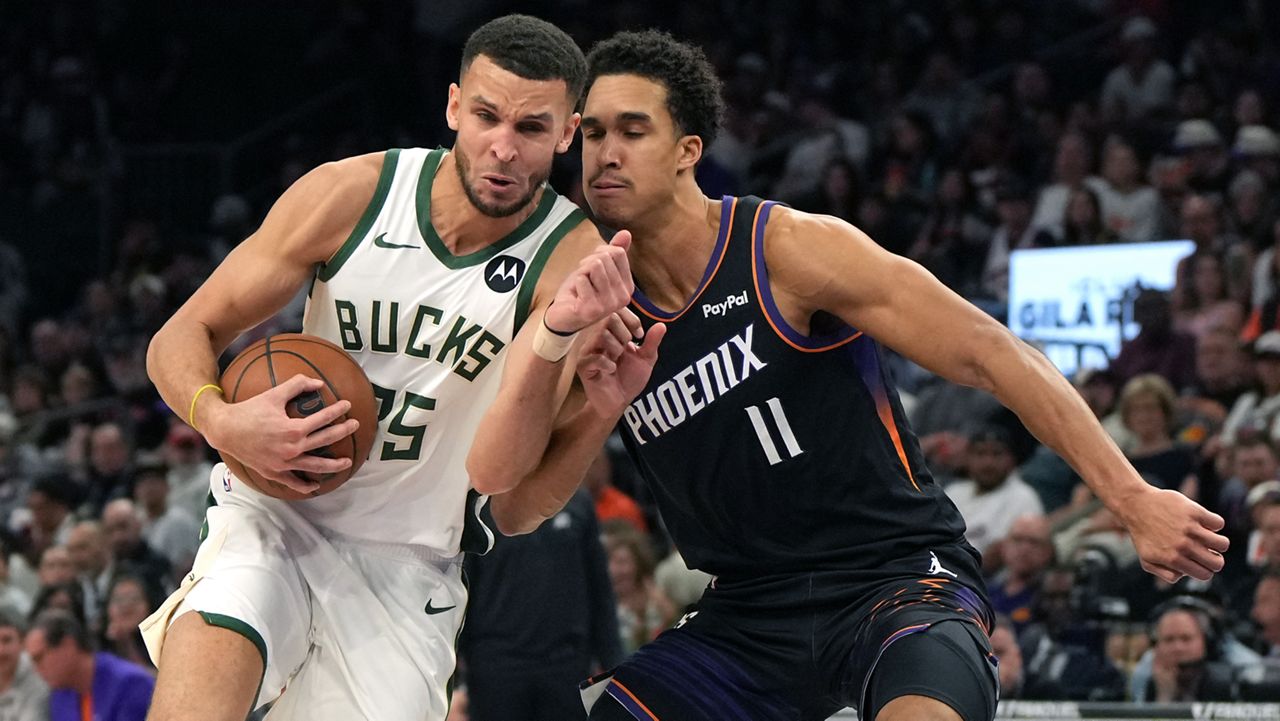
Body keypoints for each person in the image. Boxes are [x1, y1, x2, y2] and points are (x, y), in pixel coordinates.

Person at [499, 30, 1229, 721]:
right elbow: (516, 508)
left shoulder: (787, 250)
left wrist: (1131, 496)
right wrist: (594, 405)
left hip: (897, 577)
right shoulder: (586, 304)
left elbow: (994, 351)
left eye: (632, 130)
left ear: (689, 150)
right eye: (591, 133)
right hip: (746, 614)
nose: (605, 154)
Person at [139, 15, 638, 721]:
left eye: (531, 129)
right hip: (276, 511)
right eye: (487, 116)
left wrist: (567, 353)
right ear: (454, 106)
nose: (503, 148)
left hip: (410, 565)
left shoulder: (570, 263)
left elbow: (512, 498)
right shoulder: (353, 193)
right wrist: (221, 419)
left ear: (567, 134)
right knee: (206, 671)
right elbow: (180, 332)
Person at [26, 610, 153, 721]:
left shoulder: (129, 683)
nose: (37, 668)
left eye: (39, 658)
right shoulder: (59, 697)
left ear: (68, 645)